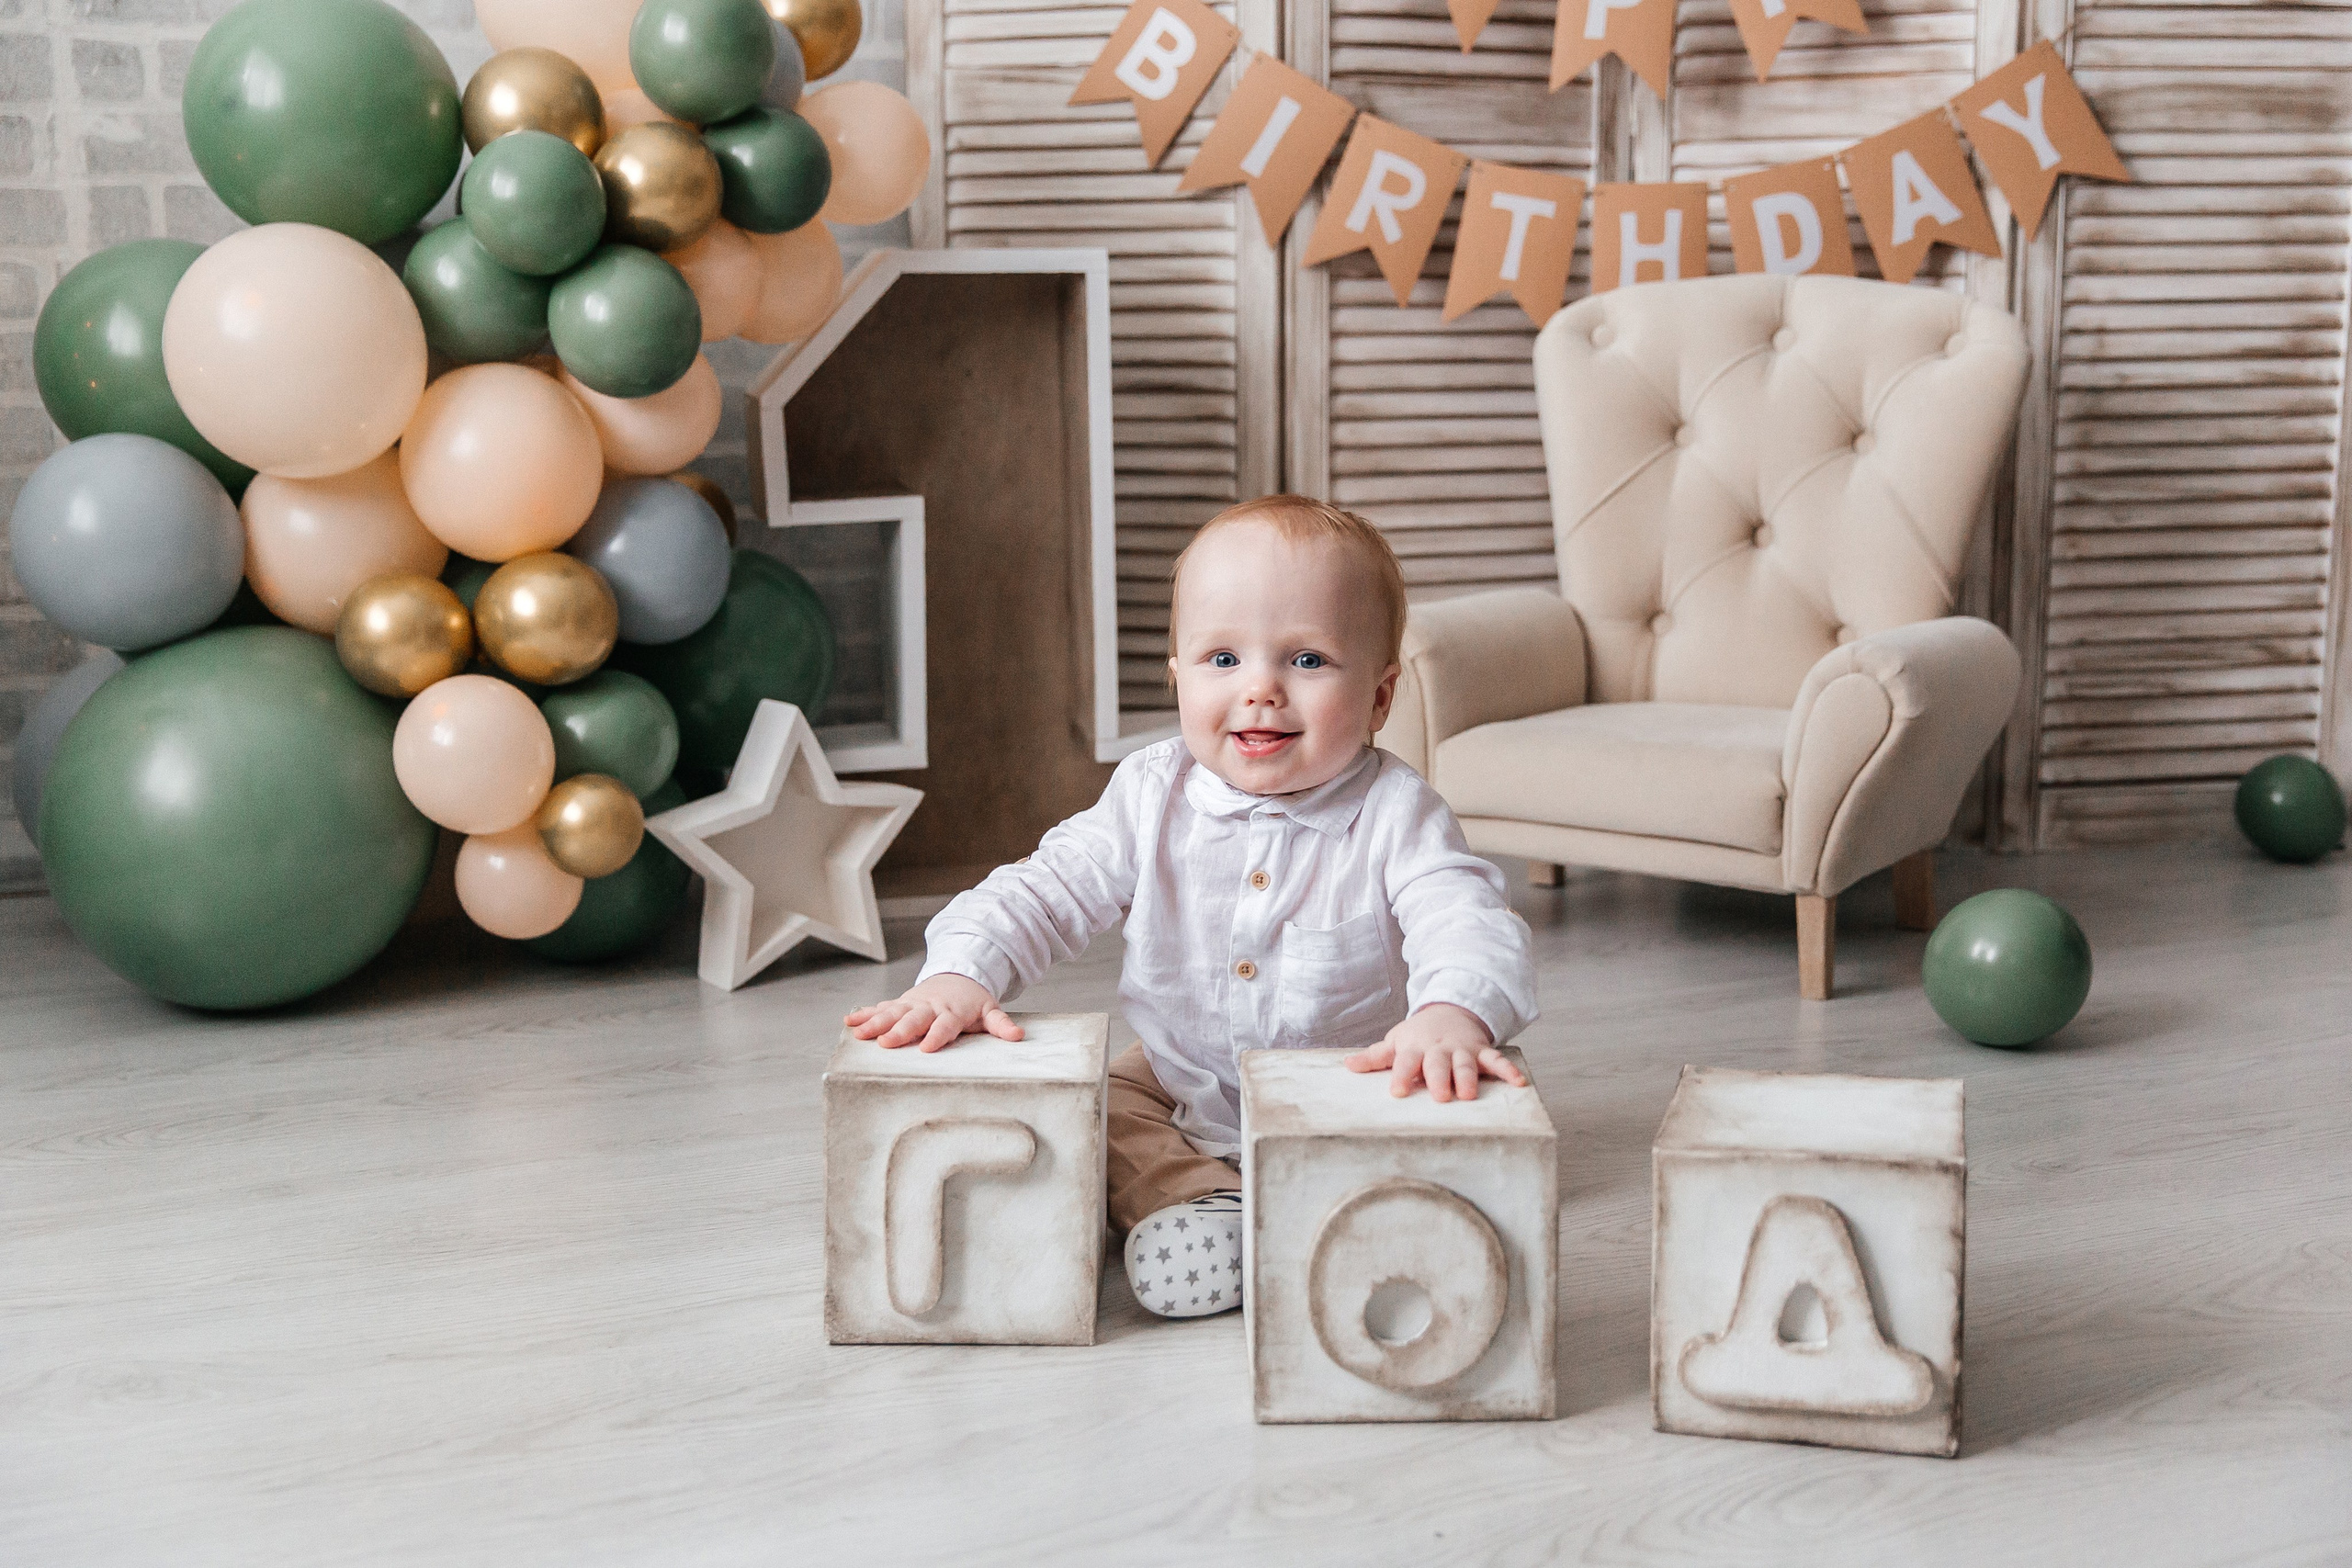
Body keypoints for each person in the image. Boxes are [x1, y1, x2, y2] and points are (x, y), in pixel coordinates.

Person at [844, 495, 1538, 1318]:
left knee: (1450, 1090)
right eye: (1221, 659)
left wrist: (1452, 1012)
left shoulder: (1397, 813)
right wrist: (960, 972)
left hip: (1353, 1077)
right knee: (1098, 1109)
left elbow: (1463, 915)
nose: (1261, 691)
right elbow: (1045, 886)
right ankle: (1202, 1204)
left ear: (1382, 697)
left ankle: (1360, 1206)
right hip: (1181, 1074)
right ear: (1175, 674)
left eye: (1308, 661)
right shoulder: (1150, 794)